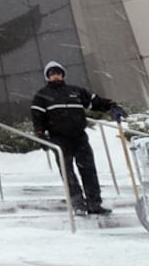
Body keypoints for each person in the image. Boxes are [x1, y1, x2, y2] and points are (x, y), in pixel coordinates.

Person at [30, 61, 126, 215]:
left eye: (58, 73)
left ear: (63, 74)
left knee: (88, 170)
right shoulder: (42, 96)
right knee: (68, 173)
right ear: (48, 77)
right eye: (52, 73)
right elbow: (37, 117)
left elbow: (94, 102)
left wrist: (112, 106)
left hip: (79, 137)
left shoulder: (76, 91)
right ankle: (78, 204)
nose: (56, 76)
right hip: (59, 139)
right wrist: (40, 135)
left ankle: (94, 203)